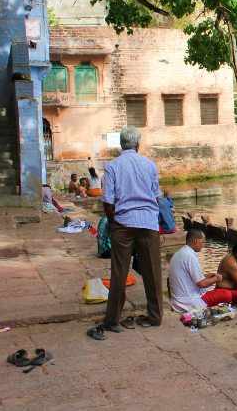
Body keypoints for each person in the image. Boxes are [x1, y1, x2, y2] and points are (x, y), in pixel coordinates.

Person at [99, 126, 164, 334]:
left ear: (121, 145)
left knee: (119, 272)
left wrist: (113, 223)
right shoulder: (150, 165)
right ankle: (155, 317)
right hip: (147, 223)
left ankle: (113, 319)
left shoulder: (112, 166)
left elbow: (108, 202)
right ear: (138, 144)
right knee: (152, 271)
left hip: (123, 223)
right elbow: (156, 196)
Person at [168, 229, 234, 313]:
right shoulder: (189, 256)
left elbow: (191, 277)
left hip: (178, 299)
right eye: (202, 242)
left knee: (215, 290)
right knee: (227, 295)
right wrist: (216, 279)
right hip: (187, 302)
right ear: (195, 241)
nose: (203, 245)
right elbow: (201, 284)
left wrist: (207, 276)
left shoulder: (181, 252)